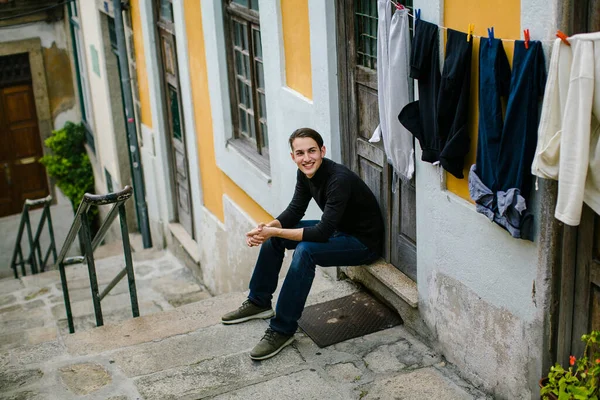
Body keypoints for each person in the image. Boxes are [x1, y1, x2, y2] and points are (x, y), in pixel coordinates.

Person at [221, 128, 384, 360]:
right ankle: (259, 301)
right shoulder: (305, 173)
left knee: (305, 250)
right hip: (339, 232)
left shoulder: (339, 179)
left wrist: (273, 230)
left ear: (322, 151)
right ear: (293, 157)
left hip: (362, 243)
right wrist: (267, 229)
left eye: (312, 151)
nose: (306, 158)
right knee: (277, 236)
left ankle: (282, 329)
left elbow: (321, 232)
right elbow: (295, 210)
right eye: (300, 153)